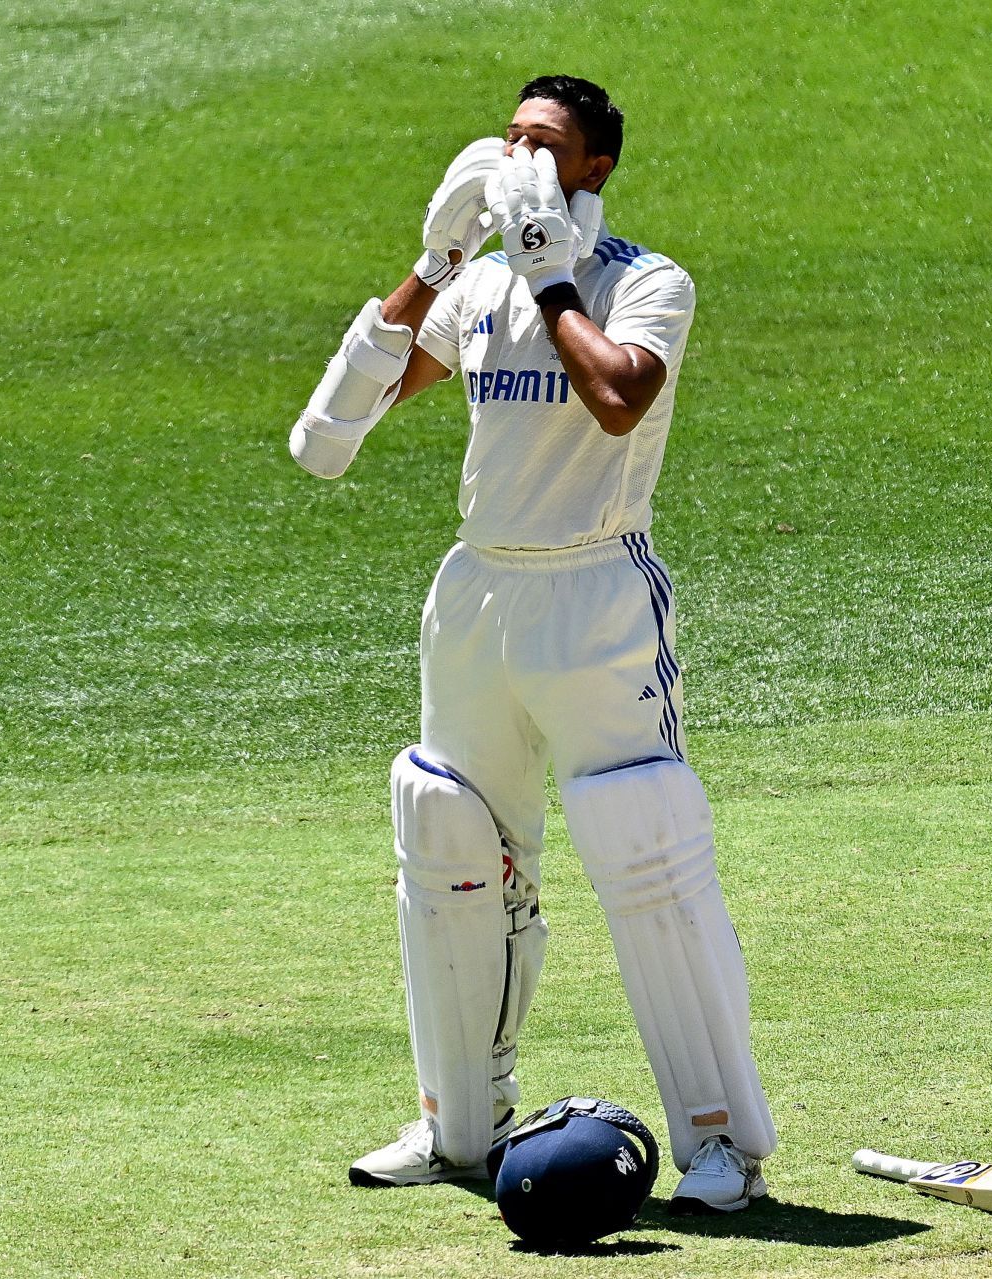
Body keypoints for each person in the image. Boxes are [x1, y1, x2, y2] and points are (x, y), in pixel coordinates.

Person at [289, 74, 775, 1214]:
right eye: (509, 138)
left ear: (597, 165)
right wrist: (439, 262)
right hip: (478, 600)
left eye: (545, 144)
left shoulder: (646, 281)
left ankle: (720, 1145)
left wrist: (551, 268)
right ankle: (458, 1130)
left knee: (644, 845)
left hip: (597, 596)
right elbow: (324, 442)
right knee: (450, 839)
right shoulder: (479, 292)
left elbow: (618, 399)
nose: (518, 160)